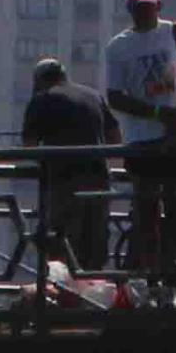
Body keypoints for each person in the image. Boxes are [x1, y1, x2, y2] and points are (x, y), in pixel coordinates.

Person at [99, 0, 176, 287]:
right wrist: (155, 113)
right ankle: (147, 275)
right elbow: (114, 96)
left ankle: (175, 271)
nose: (145, 13)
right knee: (147, 209)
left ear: (159, 7)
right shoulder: (119, 46)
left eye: (150, 7)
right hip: (142, 138)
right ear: (130, 10)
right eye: (139, 8)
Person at [20, 57, 116, 277]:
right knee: (93, 250)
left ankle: (63, 301)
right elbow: (115, 136)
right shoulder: (93, 95)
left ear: (40, 81)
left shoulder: (43, 99)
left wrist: (49, 160)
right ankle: (94, 301)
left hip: (64, 184)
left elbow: (30, 146)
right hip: (99, 183)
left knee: (61, 250)